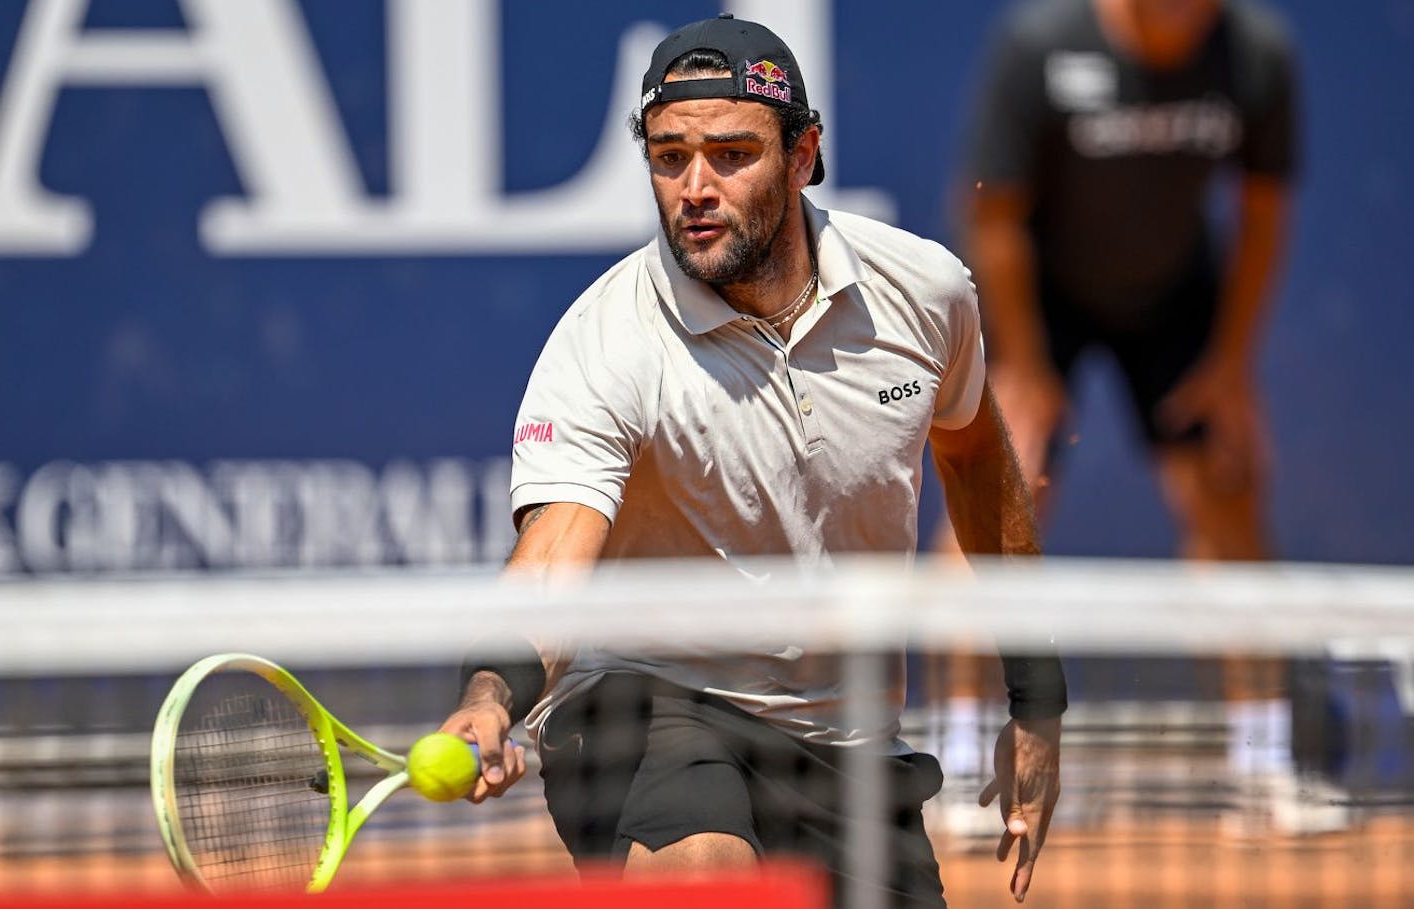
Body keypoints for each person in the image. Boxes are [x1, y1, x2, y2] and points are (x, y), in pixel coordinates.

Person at [439, 15, 1066, 906]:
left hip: (846, 738)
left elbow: (974, 463)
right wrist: (492, 693)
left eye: (731, 154)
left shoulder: (924, 296)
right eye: (669, 157)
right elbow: (553, 561)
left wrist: (1037, 701)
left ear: (805, 153)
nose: (695, 187)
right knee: (708, 876)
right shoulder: (605, 343)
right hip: (647, 705)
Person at [940, 0, 1323, 831]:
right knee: (997, 500)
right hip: (1036, 295)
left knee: (1227, 492)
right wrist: (1025, 368)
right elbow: (994, 214)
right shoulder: (1039, 46)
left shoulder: (1256, 54)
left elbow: (1263, 211)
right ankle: (965, 759)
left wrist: (1230, 364)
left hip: (1175, 302)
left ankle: (1263, 766)